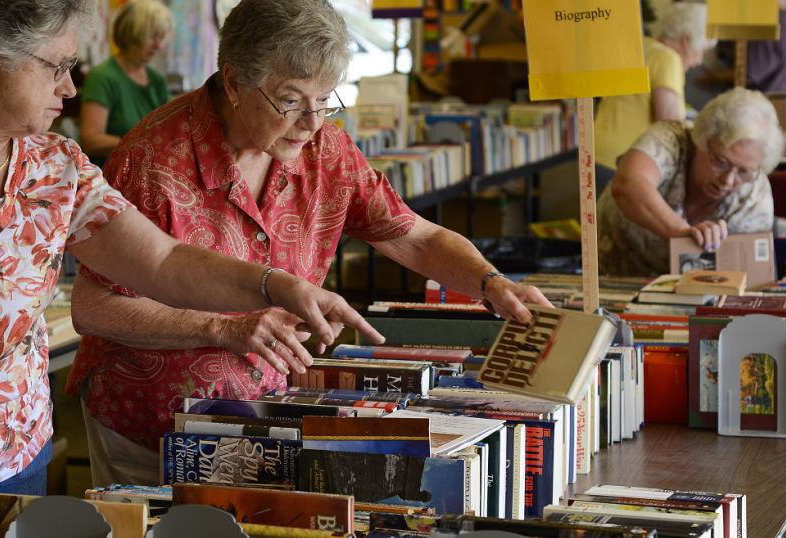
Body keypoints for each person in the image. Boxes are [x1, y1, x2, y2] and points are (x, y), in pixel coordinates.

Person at [0, 1, 387, 535]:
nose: (71, 89)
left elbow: (163, 259)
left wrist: (275, 283)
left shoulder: (58, 166)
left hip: (13, 467)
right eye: (56, 67)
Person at [66, 0, 552, 487]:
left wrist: (490, 283)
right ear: (233, 83)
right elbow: (94, 307)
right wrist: (219, 328)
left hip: (266, 414)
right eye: (292, 99)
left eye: (326, 99)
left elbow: (416, 237)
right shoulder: (152, 162)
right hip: (151, 422)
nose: (312, 122)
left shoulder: (327, 150)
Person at [597, 88, 783, 277]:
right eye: (720, 162)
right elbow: (627, 185)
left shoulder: (755, 196)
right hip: (610, 275)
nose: (728, 180)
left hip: (681, 293)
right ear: (701, 139)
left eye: (743, 171)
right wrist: (681, 231)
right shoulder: (670, 139)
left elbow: (750, 278)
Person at [594, 2, 713, 186]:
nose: (699, 60)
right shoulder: (668, 59)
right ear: (686, 40)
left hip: (596, 151)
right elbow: (669, 124)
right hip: (625, 160)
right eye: (702, 50)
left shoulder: (642, 47)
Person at [79, 0, 172, 168]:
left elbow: (167, 128)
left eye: (161, 37)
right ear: (131, 33)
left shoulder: (157, 79)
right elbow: (91, 141)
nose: (158, 45)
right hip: (111, 175)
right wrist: (143, 145)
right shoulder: (102, 77)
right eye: (152, 37)